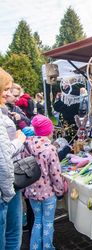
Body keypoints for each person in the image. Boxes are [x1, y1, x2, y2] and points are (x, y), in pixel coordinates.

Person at [24, 114, 64, 250]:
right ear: (48, 131)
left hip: (31, 191)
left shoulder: (26, 145)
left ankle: (34, 247)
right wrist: (60, 191)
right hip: (48, 193)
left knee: (37, 221)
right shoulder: (50, 148)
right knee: (47, 223)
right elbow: (56, 173)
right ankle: (47, 247)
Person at [0, 67, 26, 250]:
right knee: (10, 237)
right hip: (5, 190)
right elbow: (3, 155)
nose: (8, 93)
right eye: (5, 89)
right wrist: (19, 140)